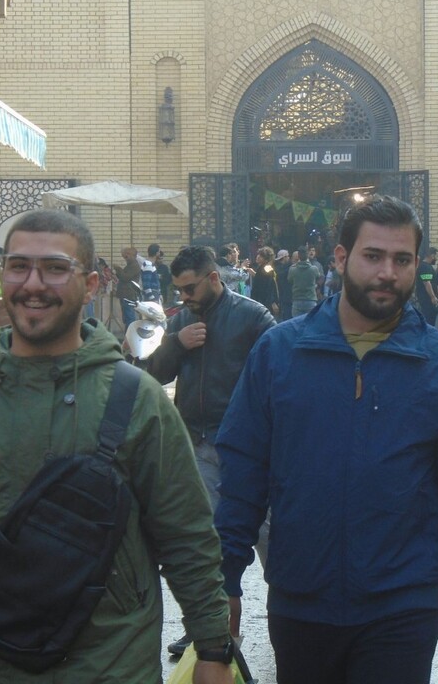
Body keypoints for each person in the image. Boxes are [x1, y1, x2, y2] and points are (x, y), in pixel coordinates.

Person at [0, 209, 234, 684]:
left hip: (108, 666)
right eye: (18, 266)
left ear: (92, 283)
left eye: (55, 269)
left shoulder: (138, 402)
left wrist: (212, 649)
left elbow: (186, 535)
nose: (33, 283)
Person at [215, 196, 438, 684]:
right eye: (373, 256)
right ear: (341, 258)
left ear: (417, 265)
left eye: (402, 259)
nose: (387, 273)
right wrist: (223, 581)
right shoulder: (280, 353)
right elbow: (243, 476)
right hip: (301, 600)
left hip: (403, 603)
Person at [146, 244, 275, 656]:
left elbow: (281, 373)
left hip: (251, 451)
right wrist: (177, 344)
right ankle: (208, 629)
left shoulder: (253, 317)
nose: (183, 297)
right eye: (178, 289)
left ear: (214, 278)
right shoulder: (182, 320)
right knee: (206, 545)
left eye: (188, 288)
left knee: (272, 540)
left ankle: (291, 620)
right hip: (198, 446)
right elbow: (155, 375)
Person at [114, 246, 142, 327]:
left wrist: (118, 268)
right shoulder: (130, 265)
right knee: (126, 318)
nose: (125, 258)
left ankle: (130, 336)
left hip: (129, 295)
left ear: (131, 255)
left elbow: (125, 277)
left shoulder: (134, 266)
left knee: (129, 318)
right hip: (125, 295)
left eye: (126, 255)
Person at [288, 247, 319, 317]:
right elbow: (318, 277)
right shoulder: (314, 269)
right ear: (307, 255)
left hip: (297, 299)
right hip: (310, 299)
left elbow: (289, 280)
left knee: (297, 325)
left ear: (298, 256)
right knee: (310, 324)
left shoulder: (292, 269)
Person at [249, 246, 280, 315]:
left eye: (261, 256)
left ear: (266, 259)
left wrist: (273, 302)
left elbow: (270, 286)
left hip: (265, 302)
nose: (258, 257)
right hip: (260, 301)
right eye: (258, 254)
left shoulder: (267, 268)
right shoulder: (260, 268)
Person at [415, 246, 438, 326]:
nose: (437, 258)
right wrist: (433, 297)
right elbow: (427, 282)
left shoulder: (425, 266)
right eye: (436, 256)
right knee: (429, 321)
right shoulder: (425, 267)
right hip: (427, 300)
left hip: (427, 300)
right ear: (432, 255)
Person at [274, 248, 292, 320]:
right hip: (283, 296)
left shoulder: (291, 267)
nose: (281, 262)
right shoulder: (278, 268)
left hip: (289, 296)